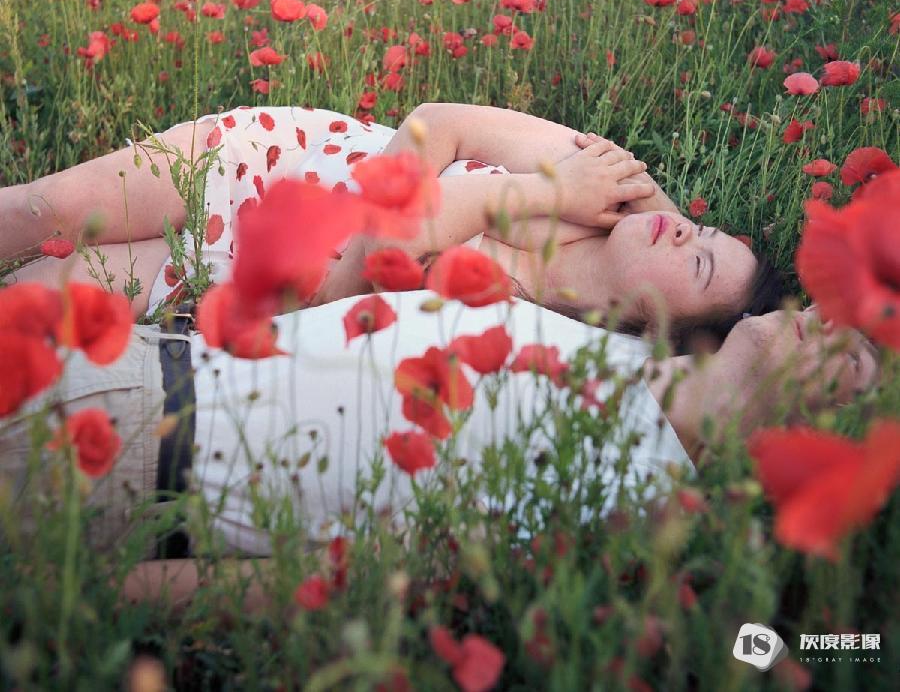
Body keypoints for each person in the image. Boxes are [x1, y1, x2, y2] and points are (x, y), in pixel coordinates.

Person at [0, 288, 880, 611]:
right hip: (123, 354)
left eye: (859, 361)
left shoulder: (630, 504)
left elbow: (352, 576)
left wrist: (90, 600)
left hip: (118, 454)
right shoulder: (622, 351)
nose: (834, 320)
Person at [0, 103, 782, 347]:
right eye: (702, 229)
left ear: (661, 329)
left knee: (30, 304)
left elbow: (376, 263)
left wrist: (519, 195)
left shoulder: (547, 340)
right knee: (43, 210)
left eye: (701, 263)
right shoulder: (597, 184)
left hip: (241, 277)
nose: (686, 232)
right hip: (270, 165)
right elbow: (435, 122)